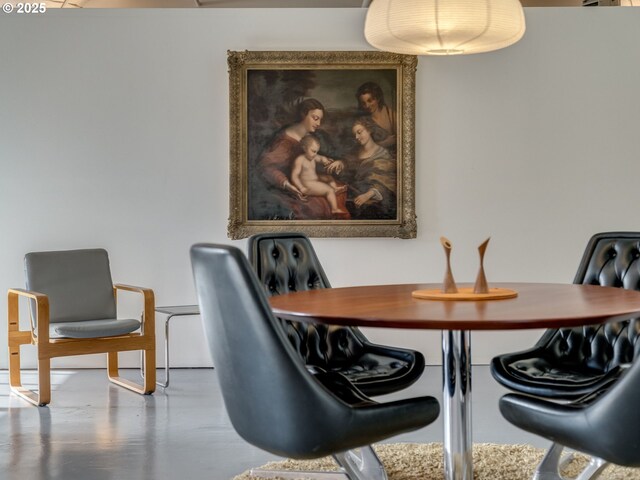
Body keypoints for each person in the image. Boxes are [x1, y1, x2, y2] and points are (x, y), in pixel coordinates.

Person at [250, 98, 348, 220]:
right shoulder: (285, 142)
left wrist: (339, 162)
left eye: (320, 120)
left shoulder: (316, 136)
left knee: (336, 188)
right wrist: (288, 185)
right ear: (303, 114)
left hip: (313, 179)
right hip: (294, 187)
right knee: (313, 208)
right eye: (315, 118)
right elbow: (265, 168)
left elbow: (329, 157)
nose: (318, 123)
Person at [327, 117, 397, 220]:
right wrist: (341, 162)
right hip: (354, 192)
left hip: (373, 199)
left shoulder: (382, 154)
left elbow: (387, 181)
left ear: (369, 130)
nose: (356, 137)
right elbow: (350, 162)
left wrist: (368, 195)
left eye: (359, 132)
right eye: (355, 134)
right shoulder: (357, 151)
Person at [290, 135, 347, 215]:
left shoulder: (313, 157)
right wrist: (301, 187)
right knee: (329, 190)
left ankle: (335, 188)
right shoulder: (300, 160)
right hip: (307, 185)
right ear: (304, 148)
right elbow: (294, 176)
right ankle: (334, 209)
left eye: (316, 151)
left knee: (329, 178)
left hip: (314, 179)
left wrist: (325, 161)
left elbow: (321, 158)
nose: (315, 154)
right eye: (313, 151)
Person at [355, 82, 397, 150]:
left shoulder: (390, 114)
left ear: (378, 99)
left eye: (370, 100)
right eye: (363, 103)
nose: (367, 106)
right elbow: (362, 147)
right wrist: (385, 143)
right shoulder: (362, 121)